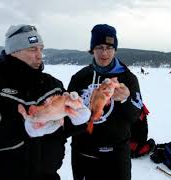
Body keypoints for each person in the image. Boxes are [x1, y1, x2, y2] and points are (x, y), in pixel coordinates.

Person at [0, 24, 90, 180]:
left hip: (48, 176)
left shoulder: (52, 85)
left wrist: (79, 120)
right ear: (14, 52)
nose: (39, 55)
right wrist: (24, 128)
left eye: (41, 49)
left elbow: (59, 128)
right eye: (32, 49)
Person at [67, 24, 143, 180]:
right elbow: (69, 119)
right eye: (99, 47)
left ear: (115, 50)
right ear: (92, 50)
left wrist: (125, 100)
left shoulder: (128, 78)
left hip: (117, 156)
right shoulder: (79, 78)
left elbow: (136, 116)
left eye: (109, 47)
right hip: (84, 154)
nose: (104, 53)